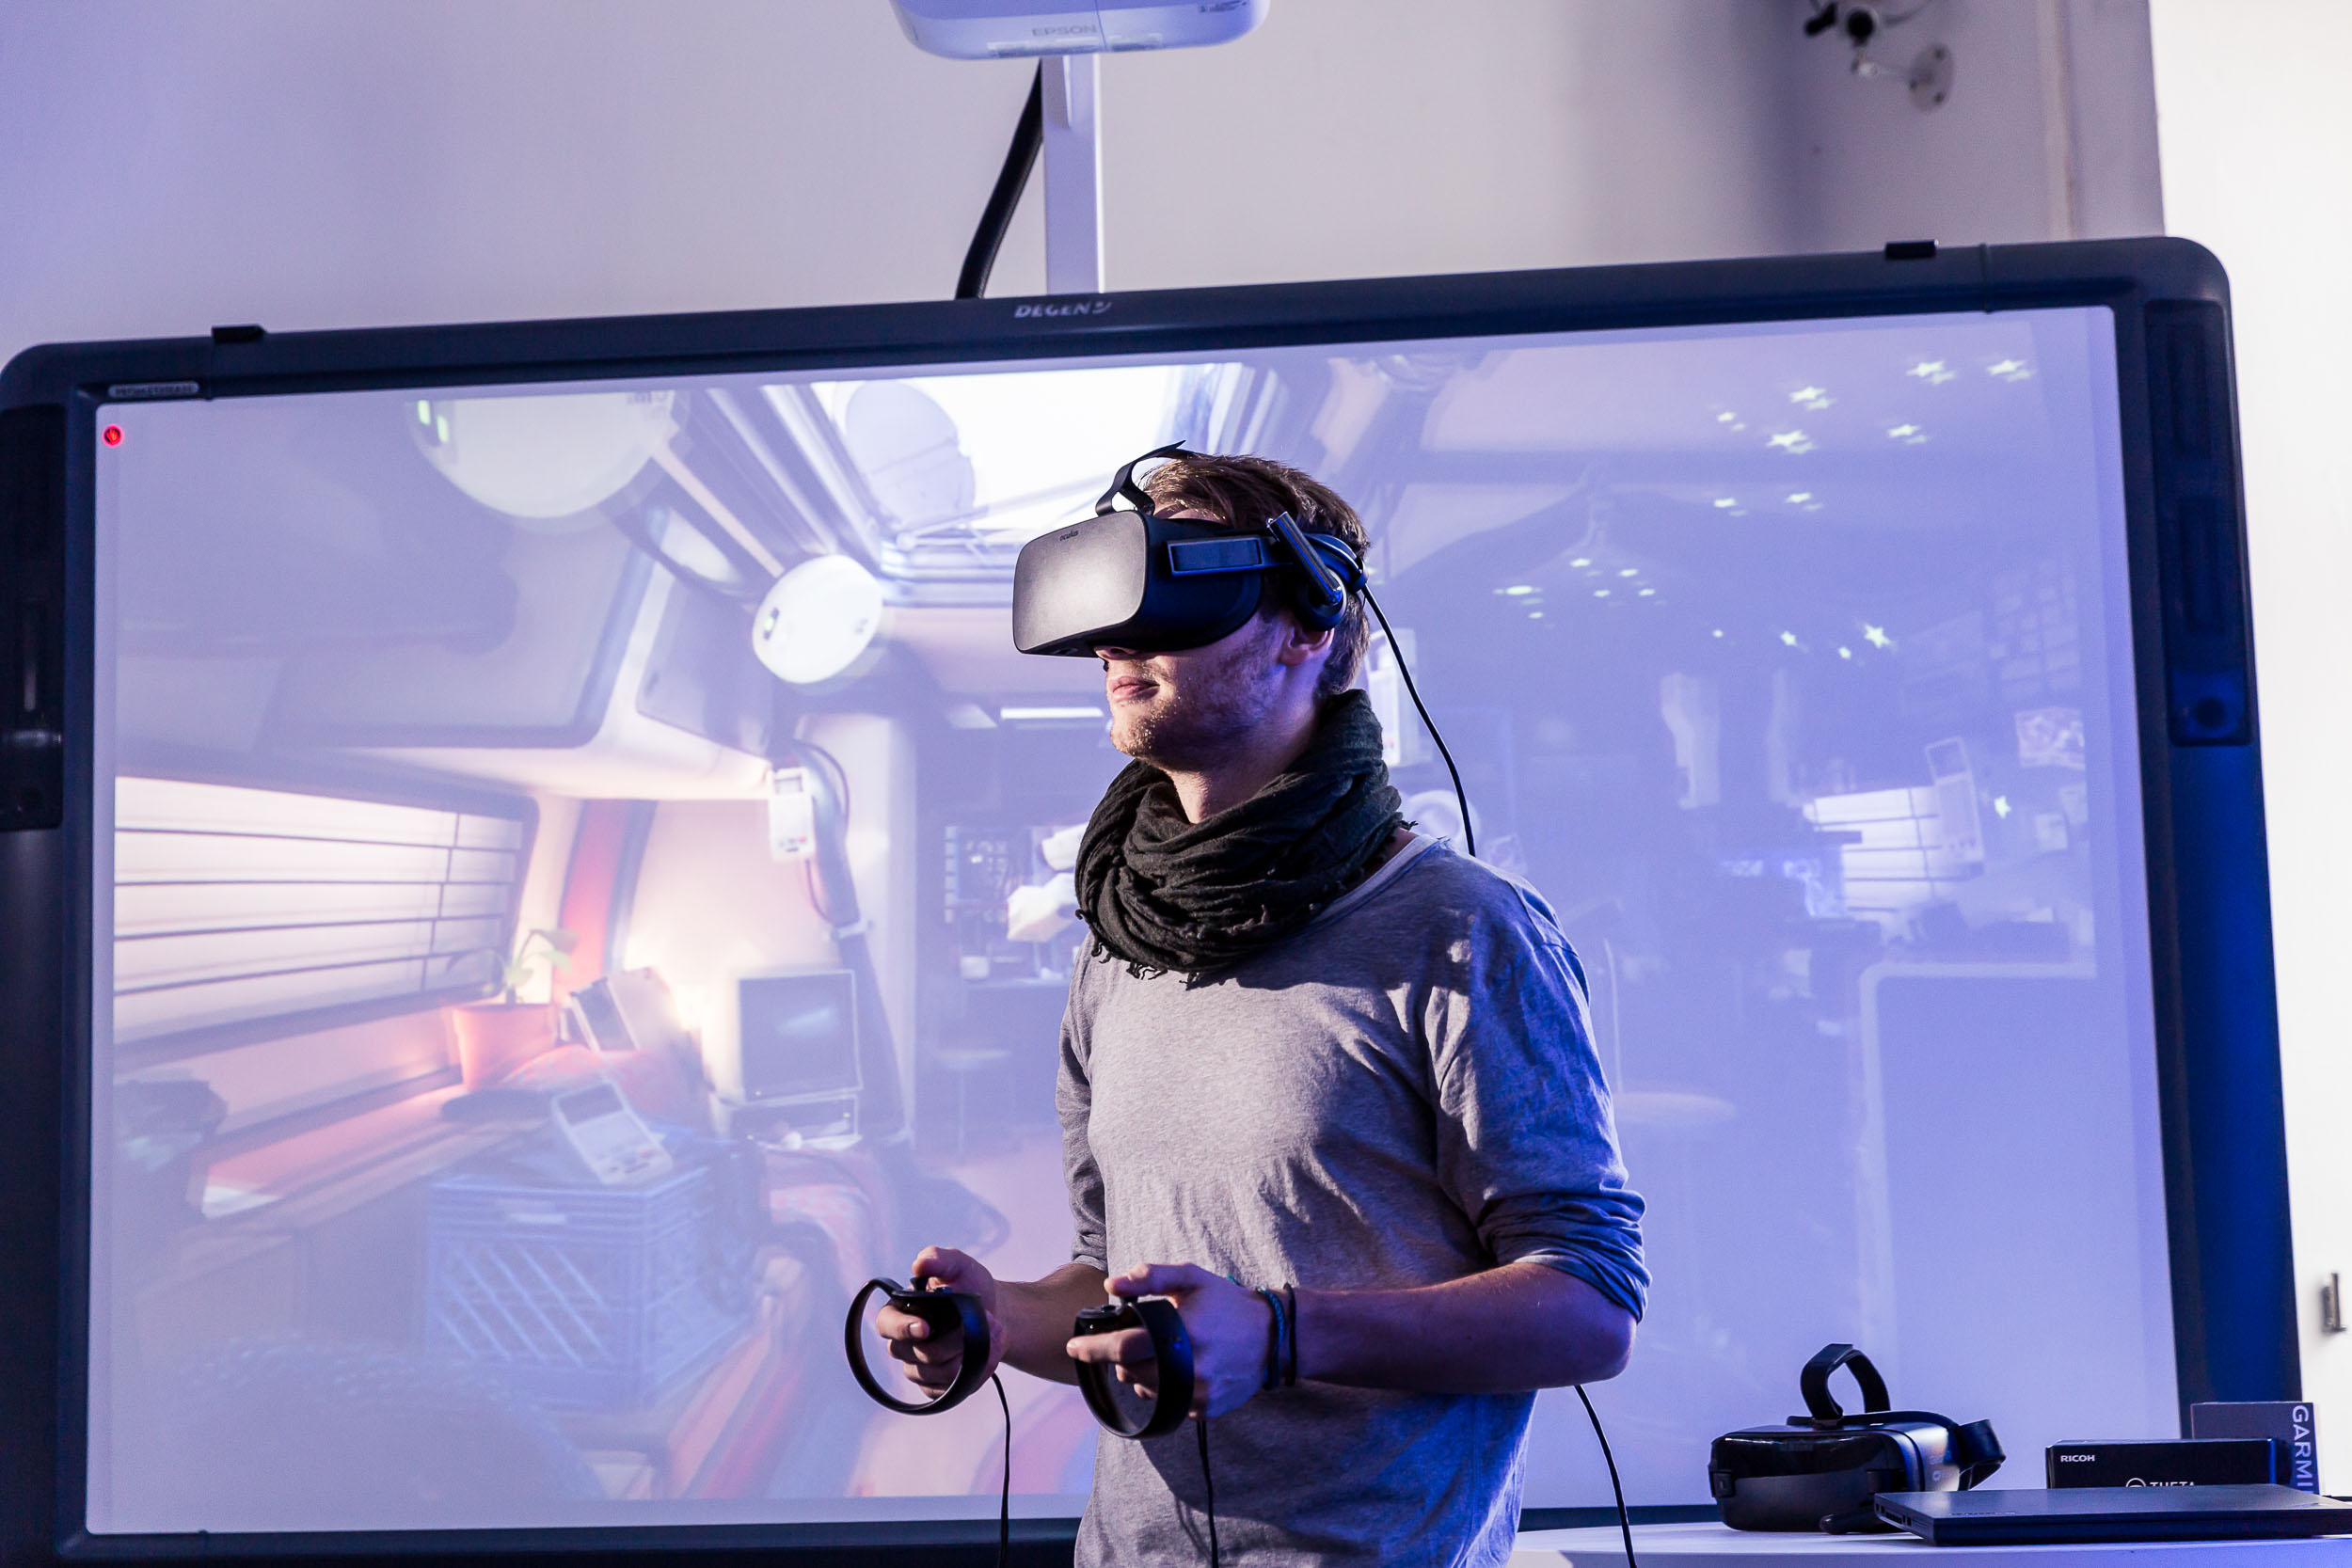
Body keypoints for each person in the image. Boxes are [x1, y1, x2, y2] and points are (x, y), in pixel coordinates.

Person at [881, 451, 1646, 1567]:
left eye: (1172, 590)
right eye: (1112, 604)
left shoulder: (1459, 927)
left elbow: (1588, 1304)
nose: (1116, 640)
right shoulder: (1117, 946)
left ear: (1305, 622)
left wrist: (1281, 1334)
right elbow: (1111, 1275)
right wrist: (999, 1314)